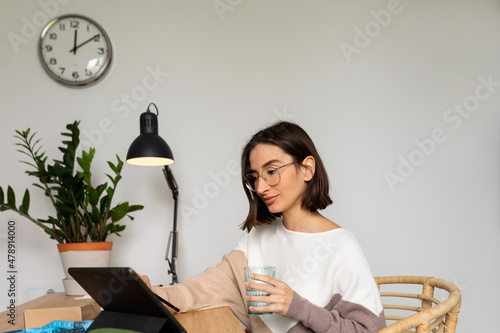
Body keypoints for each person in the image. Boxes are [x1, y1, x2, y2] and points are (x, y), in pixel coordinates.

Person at [146, 121, 386, 332]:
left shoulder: (342, 247)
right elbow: (201, 290)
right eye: (254, 177)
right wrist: (147, 294)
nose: (260, 188)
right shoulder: (255, 242)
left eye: (271, 171)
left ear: (307, 168)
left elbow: (370, 331)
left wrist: (298, 307)